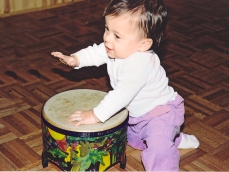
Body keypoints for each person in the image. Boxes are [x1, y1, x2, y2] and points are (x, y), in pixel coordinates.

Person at [51, 0, 199, 171]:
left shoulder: (141, 64)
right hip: (137, 114)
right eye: (107, 28)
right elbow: (95, 52)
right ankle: (175, 139)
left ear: (143, 44)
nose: (107, 38)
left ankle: (167, 145)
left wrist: (95, 115)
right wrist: (75, 59)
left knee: (158, 150)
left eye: (116, 35)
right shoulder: (117, 48)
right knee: (134, 140)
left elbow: (121, 95)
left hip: (161, 113)